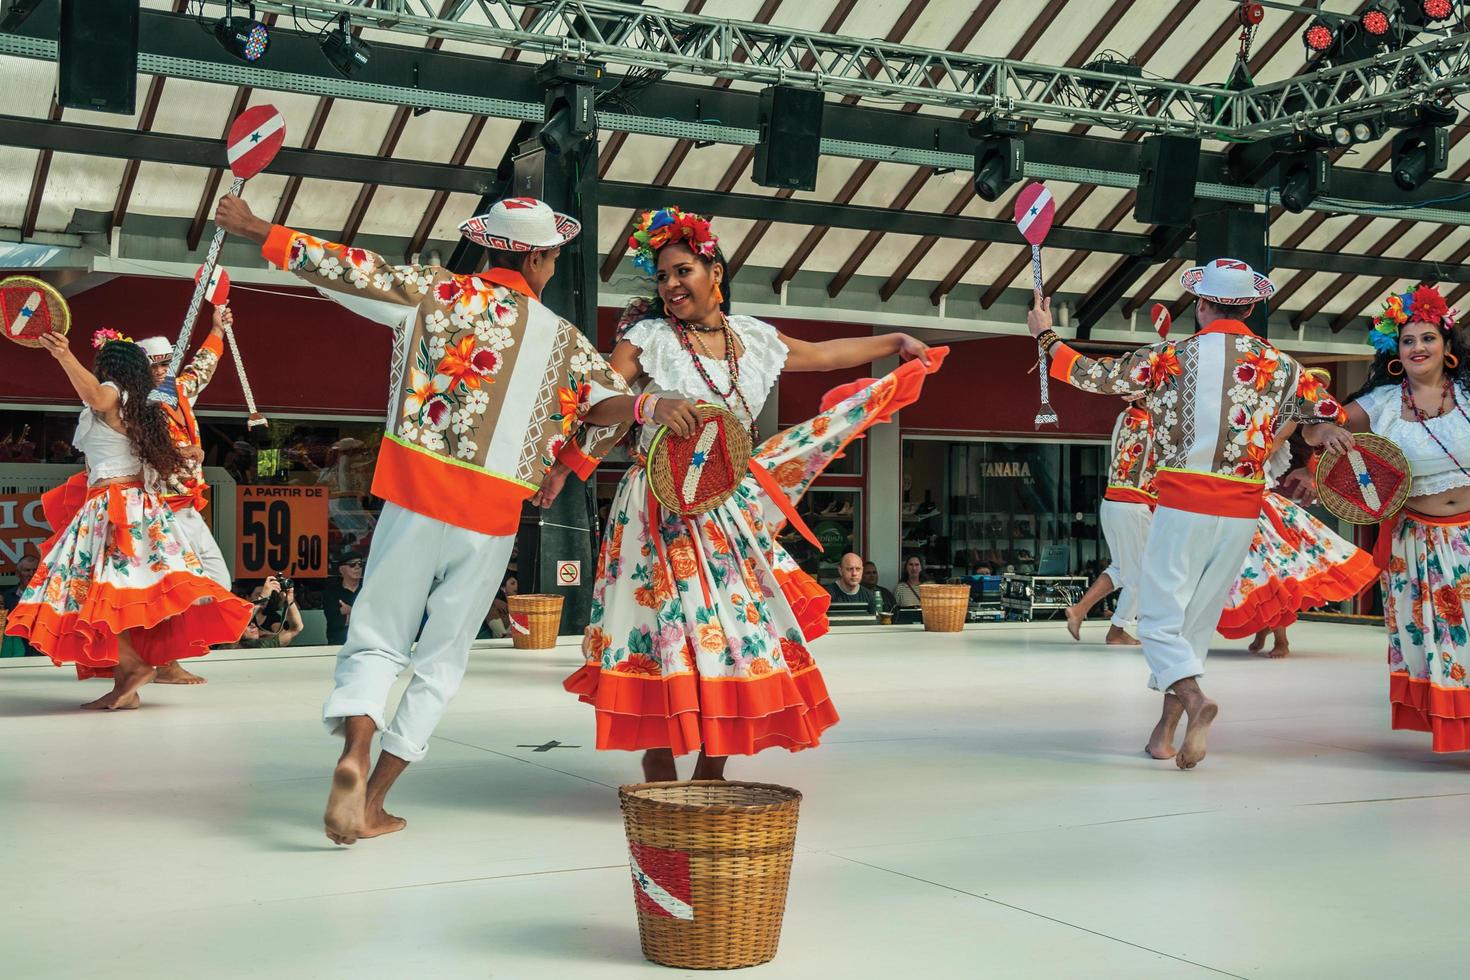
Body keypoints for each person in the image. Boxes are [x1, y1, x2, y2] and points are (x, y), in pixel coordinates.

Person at [214, 193, 631, 844]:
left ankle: (352, 752)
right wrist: (567, 466)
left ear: (489, 248)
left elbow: (344, 268)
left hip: (413, 495)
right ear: (543, 259)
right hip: (489, 517)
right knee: (441, 659)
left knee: (378, 636)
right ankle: (373, 799)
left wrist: (258, 230)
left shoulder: (433, 292)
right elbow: (617, 408)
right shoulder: (565, 344)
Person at [551, 206, 944, 782]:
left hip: (726, 509)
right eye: (661, 277)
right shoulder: (647, 338)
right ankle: (659, 756)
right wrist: (647, 404)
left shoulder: (755, 339)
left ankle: (713, 767)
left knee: (735, 631)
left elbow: (826, 353)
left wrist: (896, 339)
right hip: (657, 507)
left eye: (681, 271)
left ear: (715, 271)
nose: (670, 286)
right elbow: (591, 403)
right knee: (660, 628)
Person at [1032, 259, 1345, 769]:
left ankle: (1196, 702)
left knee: (1156, 619)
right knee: (1194, 623)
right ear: (1249, 307)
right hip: (1244, 508)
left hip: (1183, 502)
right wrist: (1316, 442)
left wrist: (1046, 337)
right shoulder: (1285, 366)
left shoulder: (1172, 356)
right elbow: (1322, 417)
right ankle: (1164, 733)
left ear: (1201, 305)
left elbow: (1094, 376)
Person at [4, 330, 252, 709]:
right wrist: (186, 451)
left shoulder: (112, 395)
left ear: (110, 369)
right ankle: (128, 684)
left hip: (113, 506)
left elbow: (94, 395)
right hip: (132, 505)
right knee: (118, 597)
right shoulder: (141, 407)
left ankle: (133, 668)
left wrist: (64, 356)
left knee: (87, 594)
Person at [1305, 284, 1470, 751]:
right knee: (1447, 640)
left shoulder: (1469, 393)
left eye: (1427, 339)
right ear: (1395, 350)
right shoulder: (1380, 403)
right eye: (1408, 341)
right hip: (1418, 542)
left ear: (1447, 344)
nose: (1418, 348)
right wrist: (1328, 430)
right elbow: (1314, 426)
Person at [81, 309, 234, 687]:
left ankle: (157, 654)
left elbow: (205, 364)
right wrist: (181, 454)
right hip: (154, 507)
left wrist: (217, 330)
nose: (163, 369)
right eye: (156, 364)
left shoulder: (179, 391)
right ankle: (163, 661)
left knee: (216, 583)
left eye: (168, 362)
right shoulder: (134, 402)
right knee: (164, 587)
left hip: (185, 506)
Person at [1218, 413, 1376, 659]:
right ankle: (1262, 629)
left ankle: (1281, 639)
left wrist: (1293, 404)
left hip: (1257, 508)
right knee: (1249, 575)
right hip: (1226, 509)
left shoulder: (1264, 436)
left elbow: (1281, 434)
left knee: (1273, 572)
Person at [1065, 395, 1155, 646]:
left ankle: (1079, 610)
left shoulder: (1123, 417)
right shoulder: (1153, 426)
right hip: (1134, 505)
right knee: (1142, 575)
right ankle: (1117, 631)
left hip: (1112, 501)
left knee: (1121, 568)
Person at [238, 576, 304, 648]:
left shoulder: (265, 644)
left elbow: (296, 629)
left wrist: (289, 601)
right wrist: (263, 597)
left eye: (253, 623)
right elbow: (241, 622)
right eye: (248, 625)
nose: (253, 626)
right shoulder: (234, 646)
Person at [321, 549, 364, 647]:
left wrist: (351, 611)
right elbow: (336, 623)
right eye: (352, 564)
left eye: (360, 564)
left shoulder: (367, 591)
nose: (357, 567)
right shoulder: (332, 593)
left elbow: (375, 620)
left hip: (365, 645)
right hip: (339, 645)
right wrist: (362, 615)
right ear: (341, 570)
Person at [2, 552, 42, 657]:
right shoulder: (6, 598)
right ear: (18, 574)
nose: (32, 574)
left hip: (44, 656)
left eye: (35, 570)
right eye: (27, 570)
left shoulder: (51, 597)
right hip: (16, 657)